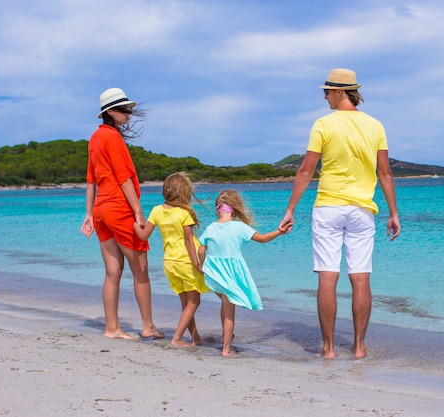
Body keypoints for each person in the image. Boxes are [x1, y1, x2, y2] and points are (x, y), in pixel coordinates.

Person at [278, 68, 401, 359]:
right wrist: (393, 213)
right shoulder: (375, 126)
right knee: (360, 277)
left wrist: (290, 209)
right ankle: (358, 347)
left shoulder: (323, 124)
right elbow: (384, 173)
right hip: (361, 210)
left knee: (328, 277)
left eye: (327, 91)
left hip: (328, 207)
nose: (324, 96)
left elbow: (306, 170)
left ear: (341, 91)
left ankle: (329, 348)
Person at [80, 87, 163, 340]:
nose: (129, 113)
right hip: (118, 208)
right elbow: (124, 177)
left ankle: (111, 328)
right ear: (110, 112)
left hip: (101, 210)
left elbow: (91, 181)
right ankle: (148, 326)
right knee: (140, 270)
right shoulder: (112, 138)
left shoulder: (95, 139)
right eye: (124, 109)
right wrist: (138, 211)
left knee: (113, 271)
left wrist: (88, 215)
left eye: (128, 108)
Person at [196, 189, 286, 356]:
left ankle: (224, 337)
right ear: (235, 209)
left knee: (225, 301)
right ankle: (226, 349)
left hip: (214, 274)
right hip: (231, 275)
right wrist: (279, 231)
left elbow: (201, 251)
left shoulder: (211, 227)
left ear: (218, 209)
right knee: (230, 312)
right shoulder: (239, 227)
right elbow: (263, 239)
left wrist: (201, 266)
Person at [133, 172, 210, 346]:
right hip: (186, 262)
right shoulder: (184, 212)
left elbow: (144, 236)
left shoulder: (156, 211)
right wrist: (198, 264)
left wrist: (134, 225)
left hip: (170, 263)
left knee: (186, 304)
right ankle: (177, 338)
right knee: (194, 301)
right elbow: (189, 240)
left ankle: (195, 337)